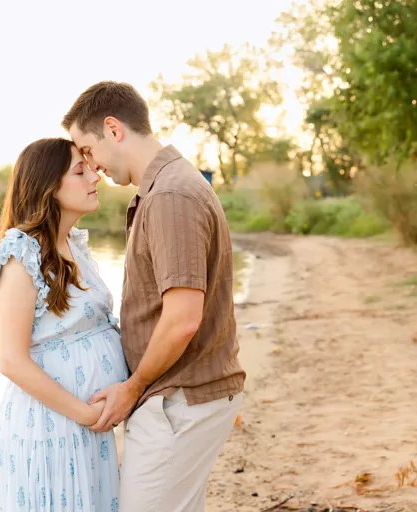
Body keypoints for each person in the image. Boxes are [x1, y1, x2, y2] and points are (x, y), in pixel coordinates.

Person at [62, 81, 246, 511]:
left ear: (113, 129)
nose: (91, 166)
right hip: (181, 397)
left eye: (87, 149)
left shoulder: (170, 195)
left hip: (180, 399)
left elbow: (182, 318)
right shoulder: (164, 187)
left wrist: (133, 387)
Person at [0, 137, 128, 512]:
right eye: (80, 171)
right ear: (49, 187)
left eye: (89, 167)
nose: (94, 176)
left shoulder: (74, 245)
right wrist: (85, 414)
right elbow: (11, 360)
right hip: (54, 428)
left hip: (86, 427)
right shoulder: (23, 253)